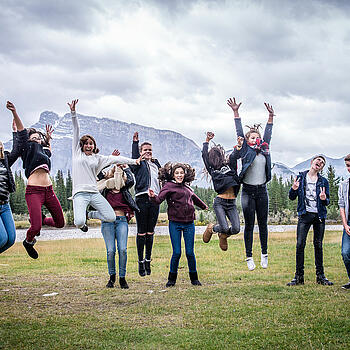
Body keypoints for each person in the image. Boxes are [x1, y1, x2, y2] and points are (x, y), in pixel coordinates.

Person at [68, 99, 140, 232]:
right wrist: (73, 113)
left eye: (91, 143)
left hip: (94, 192)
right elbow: (76, 130)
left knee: (111, 217)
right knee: (78, 222)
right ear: (82, 146)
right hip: (79, 194)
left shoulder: (98, 159)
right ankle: (83, 222)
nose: (89, 146)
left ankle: (90, 214)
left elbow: (115, 159)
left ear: (94, 145)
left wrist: (134, 161)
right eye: (86, 144)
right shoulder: (77, 154)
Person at [6, 101, 65, 259]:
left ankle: (43, 219)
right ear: (29, 139)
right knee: (35, 227)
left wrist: (48, 139)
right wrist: (14, 112)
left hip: (49, 190)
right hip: (34, 192)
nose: (38, 139)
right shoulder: (27, 148)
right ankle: (28, 241)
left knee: (60, 223)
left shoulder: (44, 152)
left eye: (40, 137)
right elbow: (21, 131)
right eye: (35, 137)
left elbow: (48, 150)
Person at [227, 97, 274, 270]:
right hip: (247, 191)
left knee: (263, 224)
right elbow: (239, 132)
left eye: (257, 137)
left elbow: (268, 132)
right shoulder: (245, 149)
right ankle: (249, 256)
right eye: (252, 137)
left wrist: (270, 117)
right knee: (249, 224)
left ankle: (264, 254)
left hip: (262, 191)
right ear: (248, 140)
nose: (255, 139)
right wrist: (236, 113)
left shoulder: (265, 148)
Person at [149, 162, 208, 287]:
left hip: (189, 224)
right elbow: (159, 200)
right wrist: (153, 196)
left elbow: (195, 198)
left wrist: (204, 206)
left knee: (190, 252)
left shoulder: (187, 188)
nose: (180, 175)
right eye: (177, 173)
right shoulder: (168, 186)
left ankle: (194, 279)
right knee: (177, 252)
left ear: (185, 174)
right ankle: (171, 279)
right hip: (175, 223)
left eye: (181, 173)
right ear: (173, 175)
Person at [287, 155, 333, 286]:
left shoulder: (323, 181)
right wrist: (294, 189)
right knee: (300, 244)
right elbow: (291, 197)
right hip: (304, 215)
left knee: (318, 245)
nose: (320, 162)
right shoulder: (301, 177)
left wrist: (324, 198)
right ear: (312, 162)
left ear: (321, 168)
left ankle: (320, 277)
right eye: (318, 160)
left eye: (322, 163)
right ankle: (299, 278)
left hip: (319, 216)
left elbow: (327, 202)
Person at [94, 164, 139, 289]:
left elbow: (131, 179)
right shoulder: (105, 189)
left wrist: (126, 167)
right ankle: (112, 277)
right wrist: (109, 162)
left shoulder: (125, 188)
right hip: (107, 222)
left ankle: (122, 278)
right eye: (114, 172)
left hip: (121, 221)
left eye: (119, 173)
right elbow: (98, 173)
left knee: (123, 250)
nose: (116, 175)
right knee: (110, 251)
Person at [201, 131, 241, 251]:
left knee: (236, 229)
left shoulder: (230, 166)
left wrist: (238, 147)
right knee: (223, 226)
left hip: (232, 203)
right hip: (220, 202)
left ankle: (222, 235)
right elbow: (204, 155)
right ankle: (212, 228)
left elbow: (234, 156)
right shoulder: (213, 170)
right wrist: (206, 141)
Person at [129, 132, 161, 277]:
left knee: (150, 232)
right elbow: (134, 158)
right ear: (141, 153)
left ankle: (148, 260)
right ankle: (140, 262)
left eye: (150, 150)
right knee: (141, 232)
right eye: (145, 150)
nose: (148, 152)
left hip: (155, 200)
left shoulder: (155, 164)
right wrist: (135, 144)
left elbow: (164, 176)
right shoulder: (138, 164)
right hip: (142, 198)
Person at [0, 118, 27, 254]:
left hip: (5, 204)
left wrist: (15, 132)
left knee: (10, 239)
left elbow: (17, 149)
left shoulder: (4, 160)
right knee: (2, 239)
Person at [338, 154, 350, 290]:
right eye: (347, 166)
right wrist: (345, 224)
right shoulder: (344, 185)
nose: (349, 168)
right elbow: (341, 205)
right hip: (348, 223)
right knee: (345, 253)